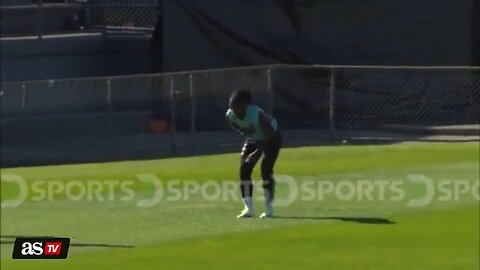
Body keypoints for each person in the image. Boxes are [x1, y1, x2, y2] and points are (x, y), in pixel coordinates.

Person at [225, 90, 282, 218]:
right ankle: (248, 208)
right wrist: (244, 131)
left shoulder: (257, 114)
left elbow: (270, 134)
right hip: (254, 138)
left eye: (237, 106)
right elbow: (236, 125)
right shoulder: (230, 115)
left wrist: (257, 153)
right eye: (231, 106)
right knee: (244, 170)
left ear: (246, 105)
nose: (234, 110)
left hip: (272, 137)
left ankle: (269, 208)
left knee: (266, 170)